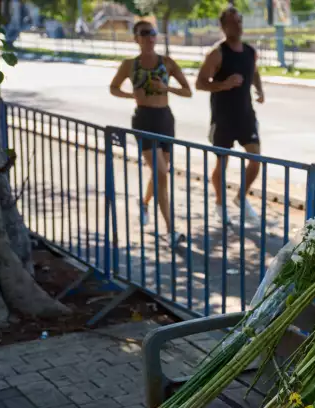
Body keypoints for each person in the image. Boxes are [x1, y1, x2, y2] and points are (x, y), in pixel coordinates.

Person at [109, 20, 192, 249]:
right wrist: (130, 96)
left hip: (165, 119)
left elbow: (188, 91)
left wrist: (167, 89)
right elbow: (113, 87)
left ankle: (144, 203)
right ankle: (170, 229)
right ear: (136, 38)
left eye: (153, 33)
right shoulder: (129, 65)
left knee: (160, 171)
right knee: (163, 174)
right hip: (143, 119)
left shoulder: (167, 63)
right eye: (144, 33)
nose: (149, 37)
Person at [195, 6, 265, 227]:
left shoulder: (249, 51)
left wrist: (260, 89)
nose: (238, 25)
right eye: (233, 22)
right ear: (224, 27)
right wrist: (224, 84)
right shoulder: (217, 53)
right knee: (222, 162)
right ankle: (219, 203)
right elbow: (200, 82)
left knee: (256, 159)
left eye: (240, 21)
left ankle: (240, 197)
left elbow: (253, 71)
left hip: (245, 114)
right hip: (223, 116)